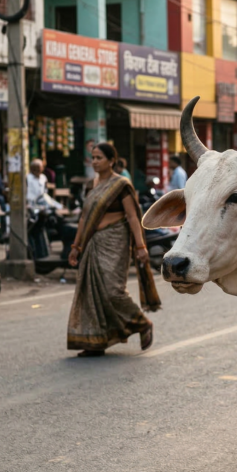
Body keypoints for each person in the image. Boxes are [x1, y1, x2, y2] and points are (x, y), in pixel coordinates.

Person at [67, 142, 160, 356]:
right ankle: (96, 341)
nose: (95, 161)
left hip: (115, 240)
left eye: (99, 157)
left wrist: (140, 245)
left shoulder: (121, 185)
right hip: (92, 242)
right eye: (93, 157)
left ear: (111, 161)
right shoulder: (92, 185)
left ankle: (141, 323)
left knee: (112, 290)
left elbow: (132, 217)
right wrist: (76, 245)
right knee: (90, 292)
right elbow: (84, 217)